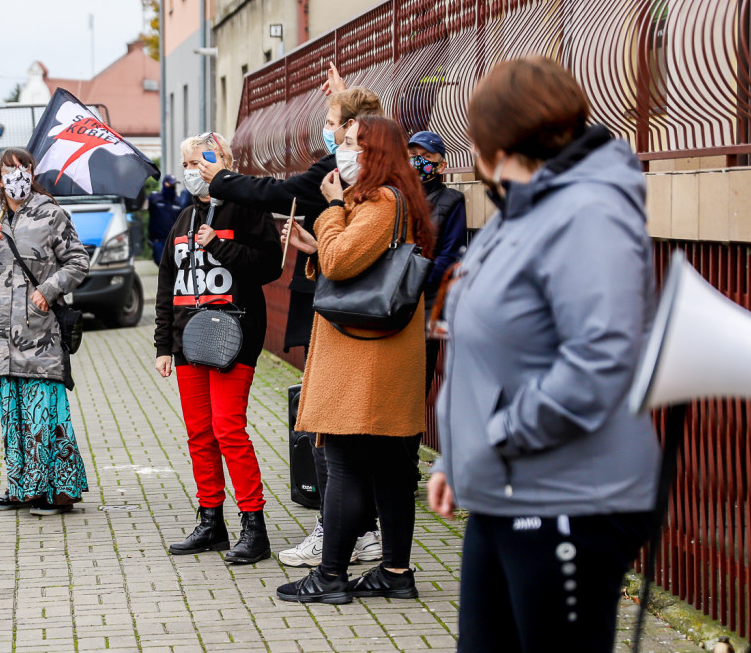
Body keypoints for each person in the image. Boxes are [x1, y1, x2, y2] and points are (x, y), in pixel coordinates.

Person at [427, 57, 660, 652]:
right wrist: (458, 457)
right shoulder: (521, 210)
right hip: (503, 490)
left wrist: (496, 435)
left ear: (494, 142)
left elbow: (601, 358)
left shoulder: (589, 211)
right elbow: (488, 353)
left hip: (568, 499)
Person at [196, 72, 386, 569]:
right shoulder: (349, 169)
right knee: (326, 426)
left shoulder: (366, 188)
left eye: (333, 127)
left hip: (345, 312)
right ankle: (354, 528)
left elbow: (289, 196)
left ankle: (340, 533)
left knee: (328, 427)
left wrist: (221, 179)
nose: (328, 137)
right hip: (327, 300)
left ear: (354, 132)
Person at [275, 115, 436, 603]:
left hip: (364, 355)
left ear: (375, 155)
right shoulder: (395, 200)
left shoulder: (381, 200)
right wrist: (316, 243)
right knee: (390, 468)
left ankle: (329, 578)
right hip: (379, 349)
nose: (341, 153)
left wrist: (331, 209)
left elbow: (343, 260)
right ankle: (395, 571)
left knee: (342, 460)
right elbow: (348, 260)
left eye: (350, 145)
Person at [154, 132, 283, 564]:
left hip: (234, 336)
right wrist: (163, 345)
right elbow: (166, 285)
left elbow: (269, 264)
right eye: (187, 164)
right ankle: (211, 522)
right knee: (199, 434)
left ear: (224, 160)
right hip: (189, 340)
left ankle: (254, 525)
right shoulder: (183, 220)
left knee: (229, 428)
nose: (194, 171)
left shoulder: (246, 208)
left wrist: (220, 245)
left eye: (201, 161)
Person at [0, 148, 91, 516]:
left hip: (40, 335)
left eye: (23, 168)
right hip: (0, 338)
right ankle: (21, 487)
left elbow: (79, 261)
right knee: (13, 416)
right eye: (10, 170)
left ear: (32, 172)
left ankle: (58, 491)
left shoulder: (51, 213)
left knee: (44, 415)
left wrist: (49, 289)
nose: (17, 175)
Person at [407, 131, 467, 395]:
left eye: (427, 156)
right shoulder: (396, 196)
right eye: (414, 156)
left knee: (418, 380)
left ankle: (410, 437)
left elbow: (448, 254)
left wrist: (418, 281)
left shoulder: (451, 200)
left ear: (442, 164)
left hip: (427, 300)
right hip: (394, 298)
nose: (418, 162)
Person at [147, 174, 185, 264]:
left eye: (174, 184)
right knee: (161, 263)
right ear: (165, 183)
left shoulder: (178, 202)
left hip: (175, 241)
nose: (172, 186)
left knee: (175, 265)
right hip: (159, 240)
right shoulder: (155, 199)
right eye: (170, 184)